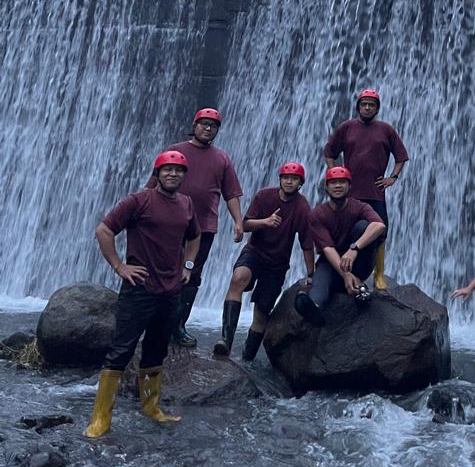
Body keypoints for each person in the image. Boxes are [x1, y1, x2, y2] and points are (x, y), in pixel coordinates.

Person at [84, 150, 201, 439]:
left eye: (178, 170)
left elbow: (195, 236)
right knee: (120, 351)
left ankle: (151, 407)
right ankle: (101, 418)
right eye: (167, 169)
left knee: (156, 350)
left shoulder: (186, 204)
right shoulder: (139, 200)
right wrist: (119, 266)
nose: (173, 174)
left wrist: (188, 265)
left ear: (184, 176)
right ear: (157, 173)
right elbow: (104, 230)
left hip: (171, 291)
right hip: (139, 291)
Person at [148, 107, 243, 348]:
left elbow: (230, 194)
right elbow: (151, 186)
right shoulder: (175, 151)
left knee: (192, 277)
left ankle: (178, 325)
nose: (207, 128)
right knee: (161, 270)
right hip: (168, 223)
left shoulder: (222, 159)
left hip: (202, 229)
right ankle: (153, 321)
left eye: (213, 125)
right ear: (195, 125)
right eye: (204, 123)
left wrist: (238, 221)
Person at [212, 161, 313, 362]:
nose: (289, 182)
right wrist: (265, 222)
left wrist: (311, 274)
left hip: (276, 264)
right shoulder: (264, 196)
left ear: (300, 183)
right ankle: (225, 341)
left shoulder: (302, 208)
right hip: (255, 253)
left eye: (294, 179)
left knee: (261, 313)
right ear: (280, 180)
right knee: (238, 278)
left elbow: (307, 244)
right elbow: (246, 224)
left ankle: (247, 359)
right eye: (286, 178)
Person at [323, 89, 408, 290]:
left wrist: (393, 177)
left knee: (380, 231)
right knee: (346, 231)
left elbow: (401, 156)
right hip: (349, 193)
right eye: (364, 104)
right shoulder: (347, 127)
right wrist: (334, 172)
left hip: (375, 191)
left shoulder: (386, 130)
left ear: (377, 108)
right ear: (358, 107)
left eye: (371, 104)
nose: (367, 107)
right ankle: (345, 271)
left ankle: (379, 275)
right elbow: (329, 151)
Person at [295, 166, 386, 327]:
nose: (338, 186)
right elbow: (328, 248)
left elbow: (379, 225)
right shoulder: (317, 214)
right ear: (326, 187)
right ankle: (314, 309)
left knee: (364, 226)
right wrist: (346, 275)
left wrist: (354, 248)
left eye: (342, 182)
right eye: (333, 182)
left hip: (360, 263)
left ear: (350, 186)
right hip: (331, 264)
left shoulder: (360, 207)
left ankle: (359, 289)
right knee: (320, 283)